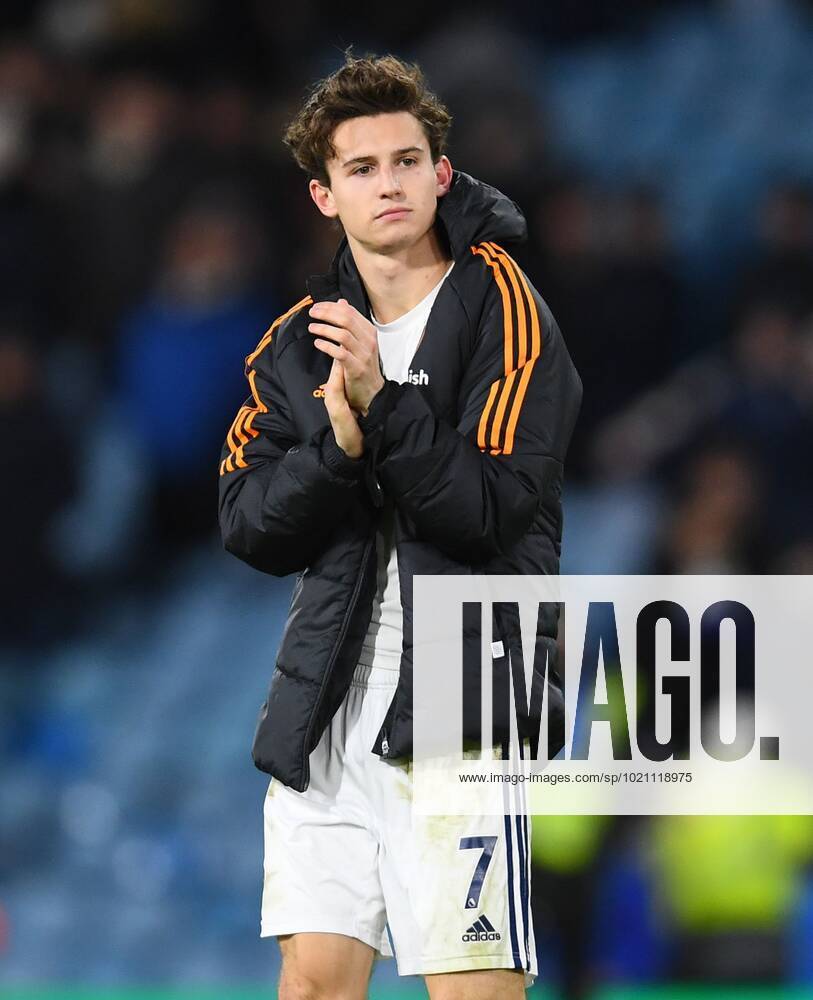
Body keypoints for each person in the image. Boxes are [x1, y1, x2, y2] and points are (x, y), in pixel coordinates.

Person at [218, 52, 581, 1000]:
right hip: (328, 705)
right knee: (311, 988)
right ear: (323, 196)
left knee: (472, 991)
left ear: (441, 173)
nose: (390, 183)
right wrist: (334, 452)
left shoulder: (504, 305)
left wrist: (381, 407)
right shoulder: (297, 345)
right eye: (362, 168)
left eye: (407, 160)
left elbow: (492, 511)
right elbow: (248, 526)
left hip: (464, 702)